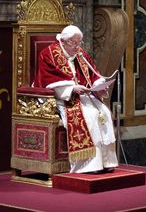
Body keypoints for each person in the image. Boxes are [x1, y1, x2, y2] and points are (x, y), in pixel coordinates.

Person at [33, 25, 118, 174]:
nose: (77, 47)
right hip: (62, 98)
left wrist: (99, 85)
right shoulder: (49, 54)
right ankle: (89, 165)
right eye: (74, 43)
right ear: (63, 41)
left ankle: (105, 162)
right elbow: (47, 79)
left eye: (80, 43)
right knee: (90, 116)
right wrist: (72, 89)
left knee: (104, 112)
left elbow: (94, 75)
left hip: (84, 96)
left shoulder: (81, 54)